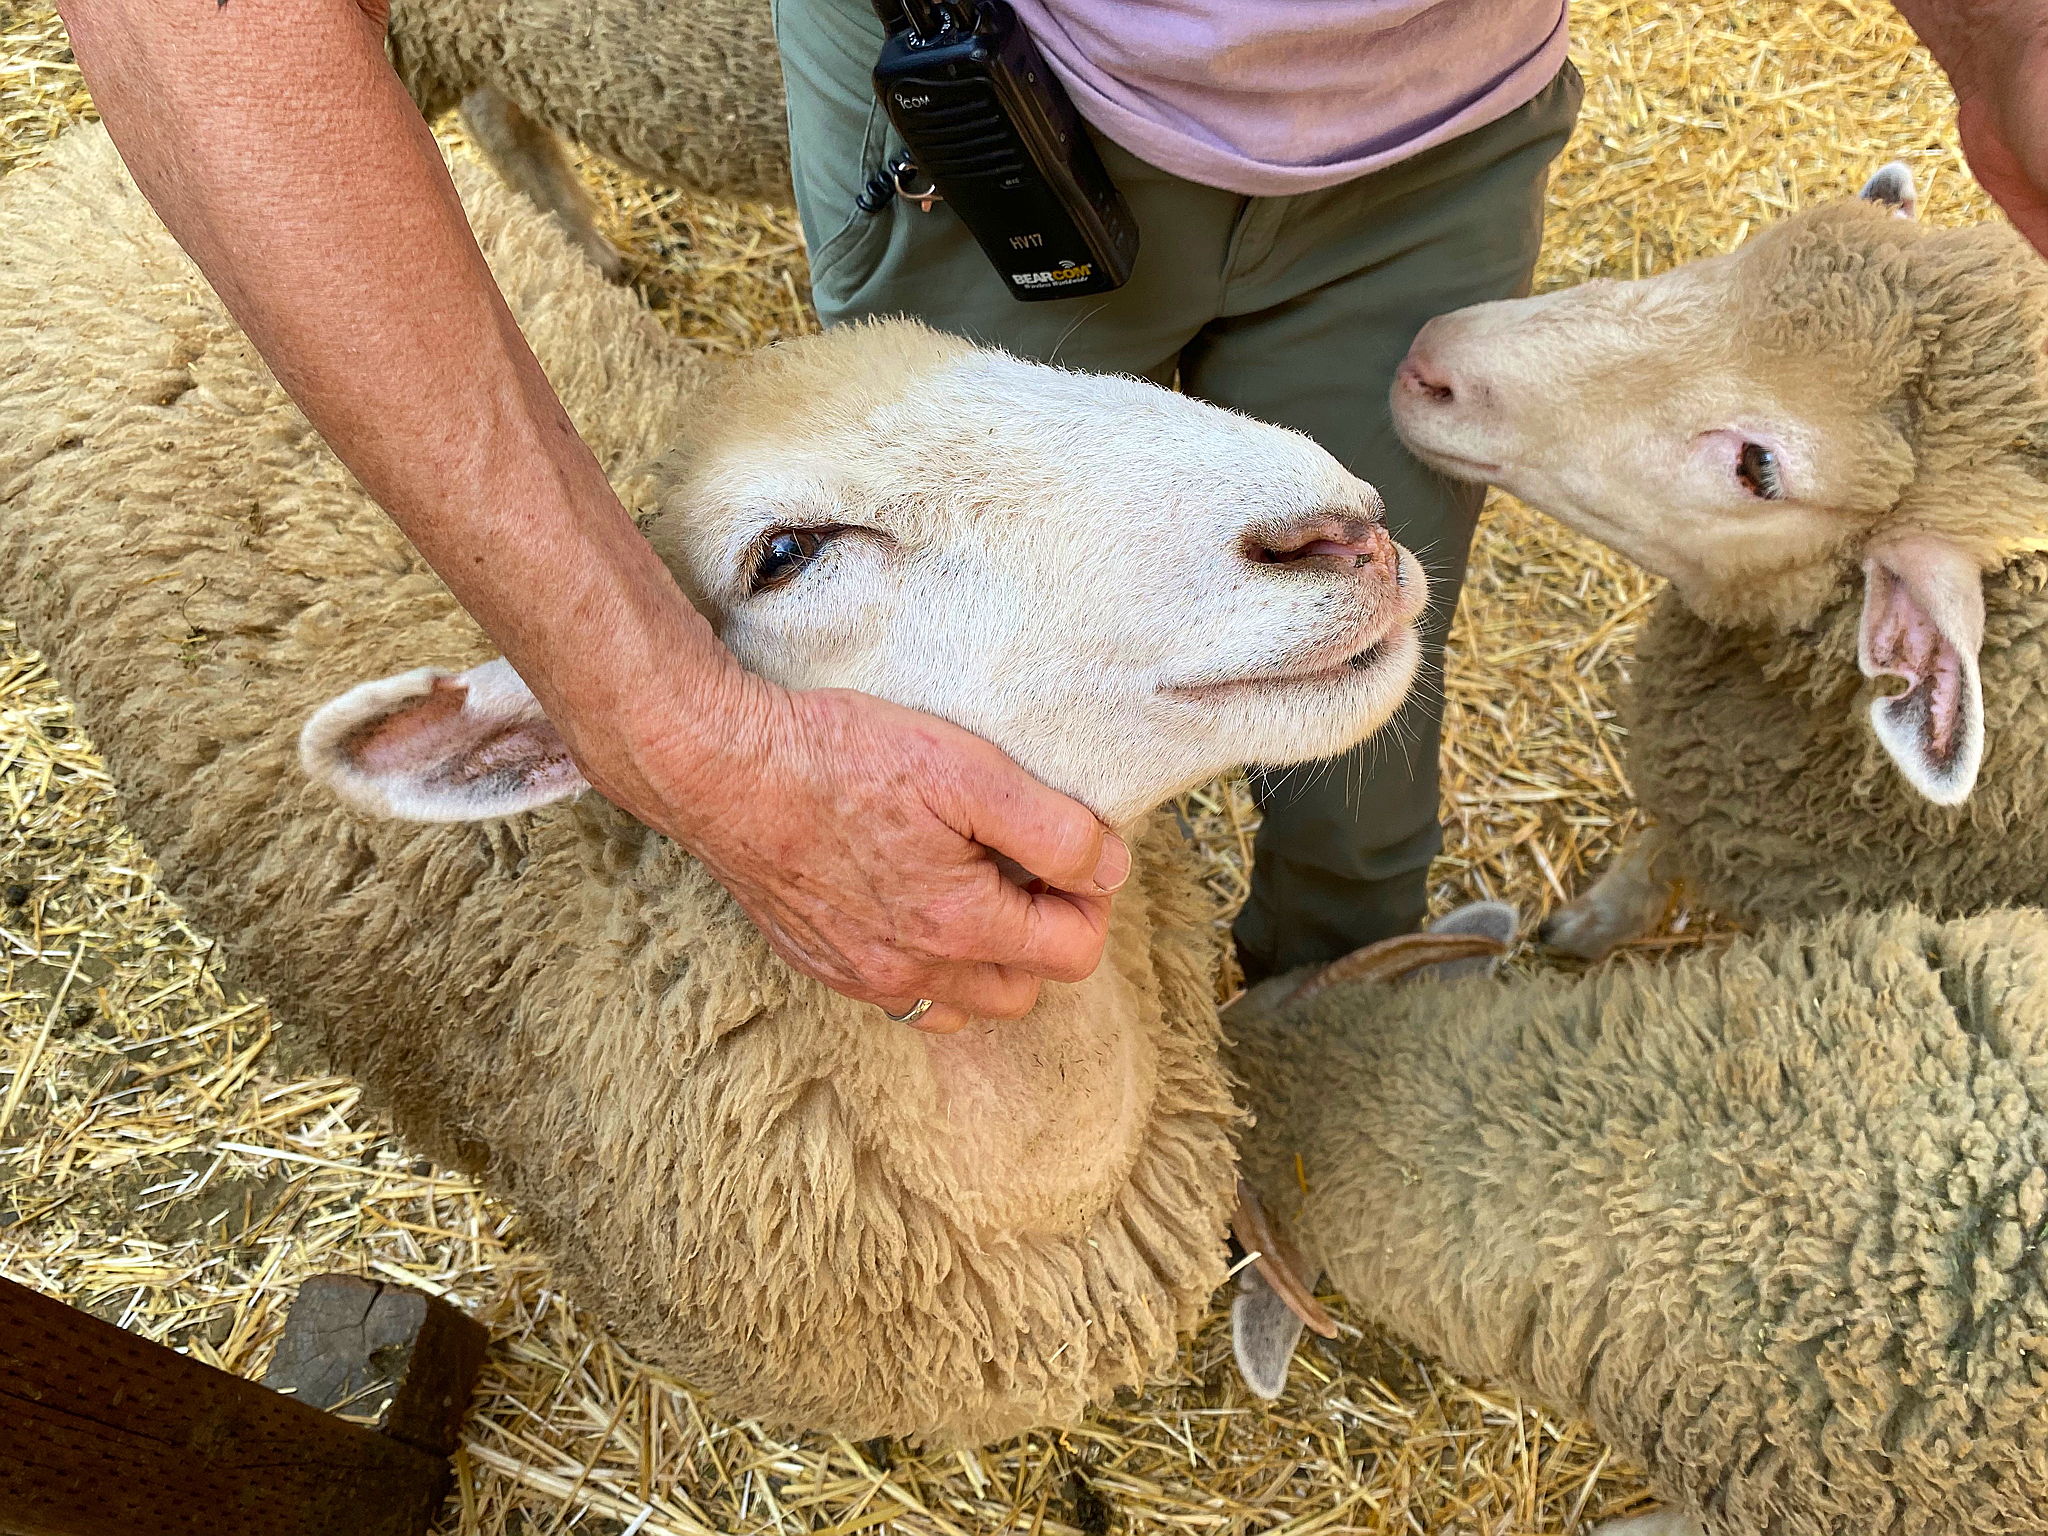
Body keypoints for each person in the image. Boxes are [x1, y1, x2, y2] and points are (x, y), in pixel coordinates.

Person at [54, 0, 2048, 1022]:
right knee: (917, 624)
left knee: (1365, 606)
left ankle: (1321, 1006)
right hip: (993, 87)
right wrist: (656, 710)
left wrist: (2002, 42)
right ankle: (1068, 1002)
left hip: (1435, 119)